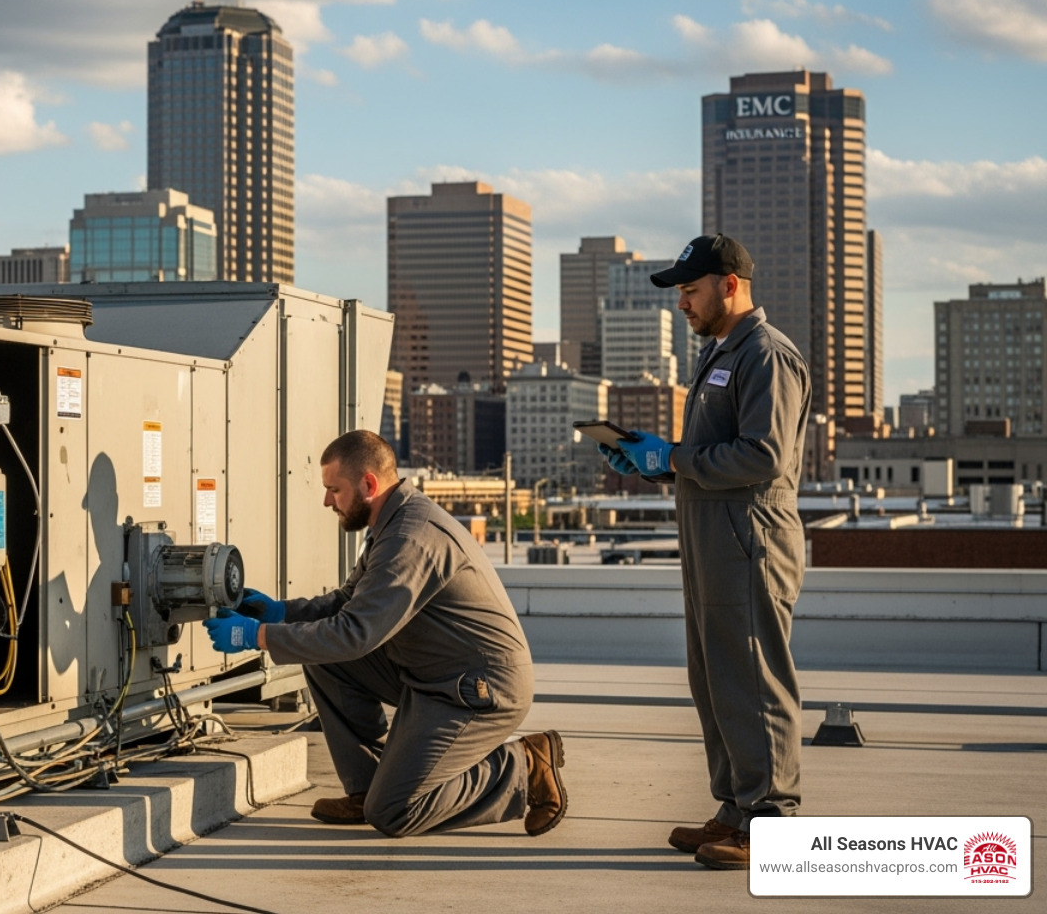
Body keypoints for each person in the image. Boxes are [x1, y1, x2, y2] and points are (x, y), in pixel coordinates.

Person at [203, 429, 567, 839]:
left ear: (368, 485)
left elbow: (354, 634)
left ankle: (524, 766)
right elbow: (348, 602)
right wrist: (281, 612)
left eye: (334, 490)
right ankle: (367, 787)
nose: (327, 502)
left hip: (480, 688)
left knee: (395, 811)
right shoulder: (392, 522)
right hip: (435, 673)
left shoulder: (409, 537)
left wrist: (257, 636)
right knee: (324, 659)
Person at [600, 234, 809, 871]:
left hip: (749, 540)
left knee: (752, 678)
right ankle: (736, 809)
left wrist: (674, 456)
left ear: (730, 285)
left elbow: (763, 455)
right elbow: (710, 454)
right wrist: (656, 462)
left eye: (690, 290)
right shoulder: (720, 353)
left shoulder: (766, 355)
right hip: (712, 539)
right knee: (715, 679)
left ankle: (771, 819)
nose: (682, 303)